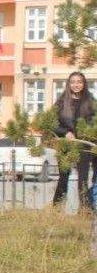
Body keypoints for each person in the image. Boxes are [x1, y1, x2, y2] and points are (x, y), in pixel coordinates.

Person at [51, 72, 95, 210]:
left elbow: (94, 124)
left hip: (83, 146)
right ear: (69, 84)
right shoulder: (61, 102)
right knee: (63, 179)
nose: (76, 85)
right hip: (66, 146)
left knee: (83, 180)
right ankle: (57, 210)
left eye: (79, 82)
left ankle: (84, 212)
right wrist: (65, 132)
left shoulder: (91, 102)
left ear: (84, 83)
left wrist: (86, 133)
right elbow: (52, 124)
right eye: (73, 82)